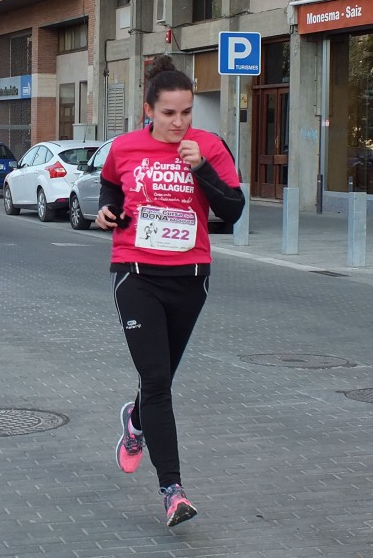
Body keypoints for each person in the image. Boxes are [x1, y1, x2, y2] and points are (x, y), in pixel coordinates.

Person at [96, 54, 245, 528]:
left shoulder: (209, 147)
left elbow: (233, 210)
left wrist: (201, 169)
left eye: (186, 113)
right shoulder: (125, 147)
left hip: (191, 276)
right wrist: (108, 212)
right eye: (168, 113)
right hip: (135, 272)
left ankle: (135, 421)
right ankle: (173, 491)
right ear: (148, 110)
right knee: (157, 381)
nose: (179, 122)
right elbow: (109, 188)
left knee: (160, 379)